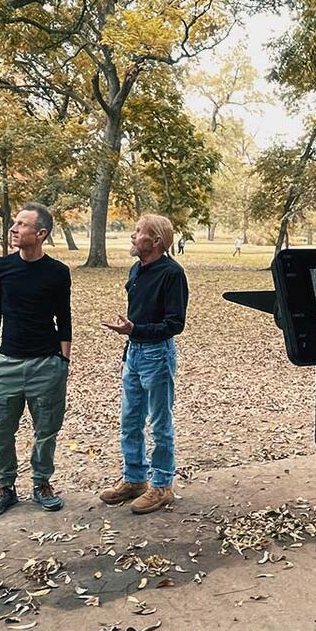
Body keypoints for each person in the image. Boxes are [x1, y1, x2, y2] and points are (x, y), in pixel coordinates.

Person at [0, 202, 72, 518]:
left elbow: (65, 317)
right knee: (1, 431)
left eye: (21, 224)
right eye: (14, 224)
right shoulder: (1, 267)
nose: (14, 229)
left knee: (46, 430)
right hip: (5, 364)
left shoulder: (58, 272)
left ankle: (41, 482)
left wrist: (63, 362)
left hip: (46, 365)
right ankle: (5, 486)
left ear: (41, 233)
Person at [99, 214, 189, 514]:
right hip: (134, 353)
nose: (133, 236)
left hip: (157, 355)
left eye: (139, 232)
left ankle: (162, 486)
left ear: (156, 241)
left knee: (160, 424)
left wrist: (135, 330)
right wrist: (131, 336)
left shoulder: (172, 273)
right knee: (130, 421)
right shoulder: (137, 269)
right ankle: (135, 479)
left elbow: (175, 324)